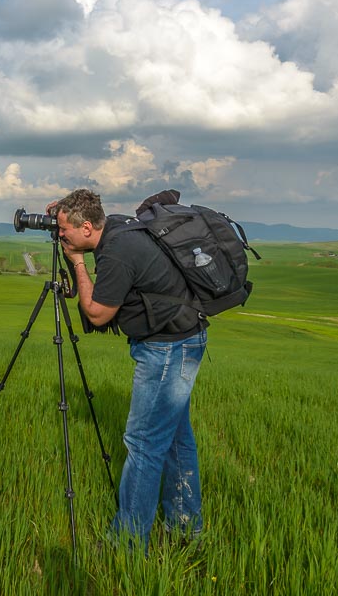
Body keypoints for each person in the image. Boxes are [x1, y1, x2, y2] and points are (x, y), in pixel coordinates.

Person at [52, 188, 207, 552]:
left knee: (143, 445)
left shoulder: (118, 254)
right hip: (185, 338)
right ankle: (186, 530)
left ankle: (126, 542)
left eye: (65, 231)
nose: (61, 237)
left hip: (166, 349)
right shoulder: (120, 227)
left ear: (87, 227)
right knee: (175, 441)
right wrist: (60, 213)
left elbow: (96, 314)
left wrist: (75, 261)